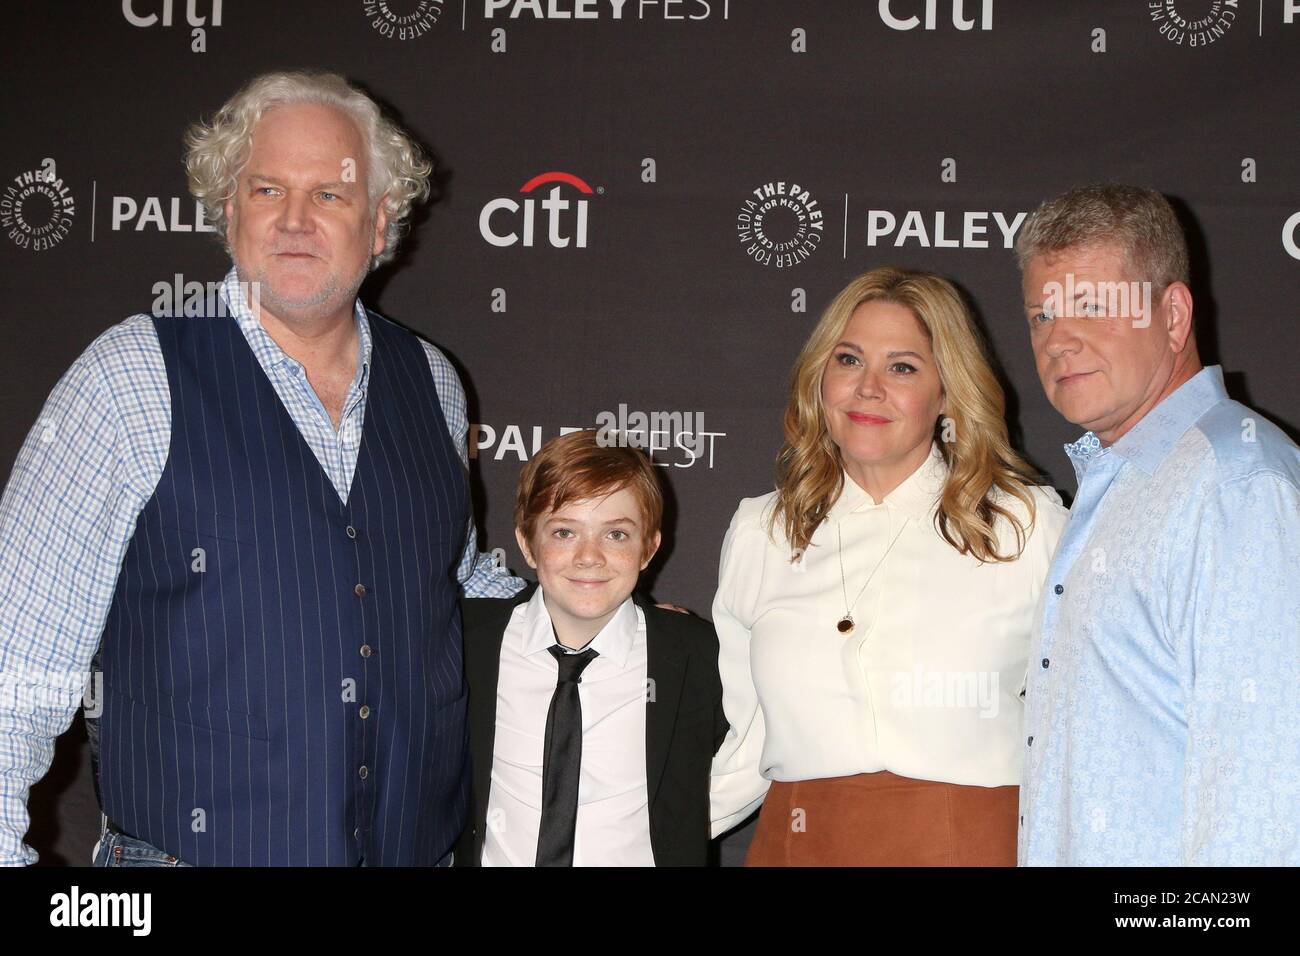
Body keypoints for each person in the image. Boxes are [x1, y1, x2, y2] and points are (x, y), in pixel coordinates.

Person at [0, 71, 524, 867]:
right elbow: (17, 669)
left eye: (331, 195)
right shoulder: (131, 377)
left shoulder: (434, 383)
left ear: (380, 223)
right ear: (228, 211)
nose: (294, 221)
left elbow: (446, 586)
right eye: (267, 189)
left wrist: (611, 618)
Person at [710, 266, 1068, 866]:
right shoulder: (762, 530)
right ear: (820, 376)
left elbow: (1078, 724)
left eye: (902, 367)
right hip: (796, 842)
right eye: (848, 360)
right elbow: (746, 741)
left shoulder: (1024, 525)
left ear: (948, 391)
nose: (868, 388)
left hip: (971, 845)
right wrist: (626, 843)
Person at [1015, 183, 1300, 866]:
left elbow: (1262, 792)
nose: (1059, 340)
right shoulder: (1123, 481)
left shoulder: (1236, 483)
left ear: (1172, 315)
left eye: (1091, 306)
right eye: (1042, 315)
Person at [455, 430, 727, 866]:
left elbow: (753, 757)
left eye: (616, 535)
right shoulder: (466, 642)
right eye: (564, 532)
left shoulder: (697, 656)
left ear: (649, 548)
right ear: (527, 542)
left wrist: (689, 826)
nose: (589, 556)